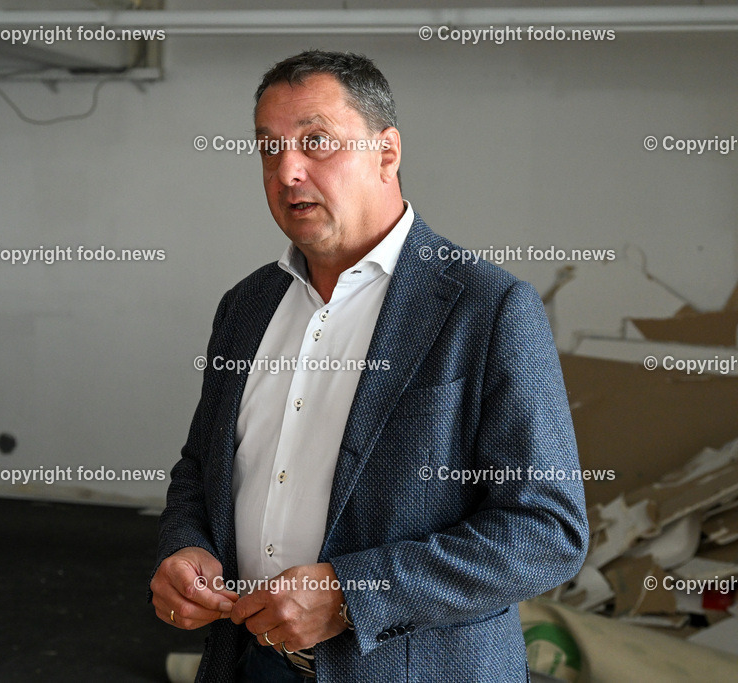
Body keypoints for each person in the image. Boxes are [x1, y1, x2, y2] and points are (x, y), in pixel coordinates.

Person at [150, 50, 588, 682]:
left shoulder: (488, 308)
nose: (288, 170)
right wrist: (184, 546)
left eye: (316, 141)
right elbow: (200, 468)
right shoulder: (245, 307)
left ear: (387, 152)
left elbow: (547, 531)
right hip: (246, 660)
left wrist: (351, 595)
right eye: (270, 148)